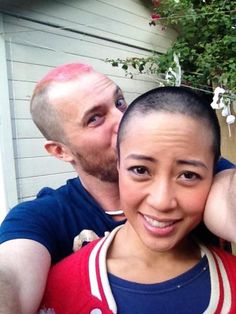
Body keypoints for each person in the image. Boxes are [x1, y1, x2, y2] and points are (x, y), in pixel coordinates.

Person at [0, 63, 235, 314]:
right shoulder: (42, 217)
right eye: (95, 118)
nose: (123, 119)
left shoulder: (210, 174)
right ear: (60, 150)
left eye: (120, 102)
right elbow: (11, 275)